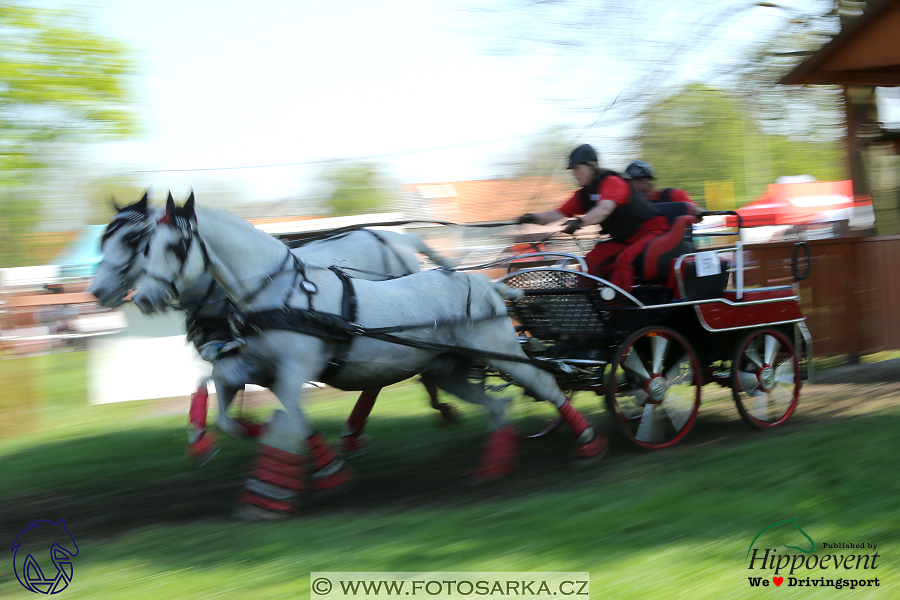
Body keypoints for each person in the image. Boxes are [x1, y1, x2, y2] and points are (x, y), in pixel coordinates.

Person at [517, 144, 669, 290]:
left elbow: (604, 209)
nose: (575, 174)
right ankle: (581, 303)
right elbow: (557, 214)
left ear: (592, 166)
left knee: (625, 261)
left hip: (653, 231)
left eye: (578, 168)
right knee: (589, 262)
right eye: (573, 170)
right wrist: (532, 218)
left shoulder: (613, 182)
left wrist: (580, 222)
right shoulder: (584, 195)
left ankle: (618, 309)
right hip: (626, 240)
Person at [622, 160, 700, 214]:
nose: (628, 187)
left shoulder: (673, 195)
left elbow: (697, 212)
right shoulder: (628, 203)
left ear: (645, 181)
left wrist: (695, 210)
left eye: (631, 182)